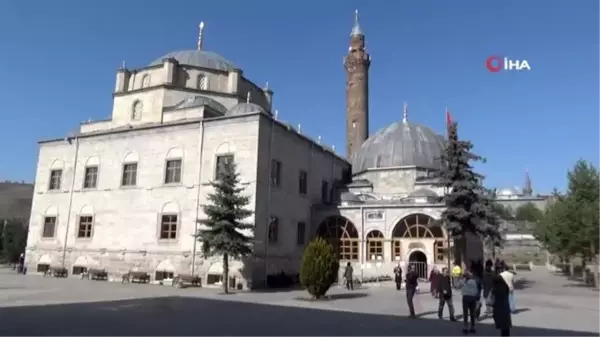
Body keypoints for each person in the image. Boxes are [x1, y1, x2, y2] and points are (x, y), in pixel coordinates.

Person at [458, 269, 480, 334]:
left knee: (465, 313)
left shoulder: (462, 281)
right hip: (473, 298)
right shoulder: (474, 281)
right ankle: (472, 327)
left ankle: (465, 327)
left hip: (466, 297)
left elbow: (457, 286)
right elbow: (477, 290)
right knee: (472, 313)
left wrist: (460, 279)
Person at [492, 272, 512, 337]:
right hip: (505, 309)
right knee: (506, 329)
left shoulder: (494, 289)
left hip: (498, 309)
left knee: (502, 328)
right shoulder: (505, 287)